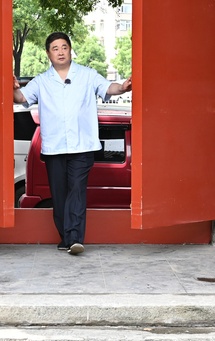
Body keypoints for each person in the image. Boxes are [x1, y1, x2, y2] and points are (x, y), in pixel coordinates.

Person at [13, 32, 132, 255]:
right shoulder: (41, 81)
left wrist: (124, 87)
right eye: (55, 48)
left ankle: (75, 238)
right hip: (54, 148)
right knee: (59, 195)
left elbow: (108, 88)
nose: (60, 51)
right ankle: (66, 238)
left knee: (76, 191)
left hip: (82, 147)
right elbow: (20, 98)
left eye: (64, 47)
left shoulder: (87, 75)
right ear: (48, 53)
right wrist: (13, 87)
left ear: (70, 50)